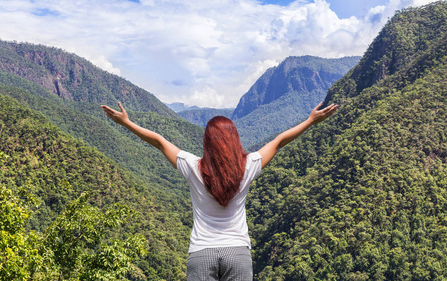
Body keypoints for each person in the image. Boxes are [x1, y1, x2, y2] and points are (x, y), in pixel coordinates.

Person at [101, 101, 337, 280]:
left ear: (207, 142)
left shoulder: (193, 166)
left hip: (201, 253)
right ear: (234, 140)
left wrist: (127, 123)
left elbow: (160, 142)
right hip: (238, 253)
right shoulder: (249, 166)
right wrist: (310, 121)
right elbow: (279, 141)